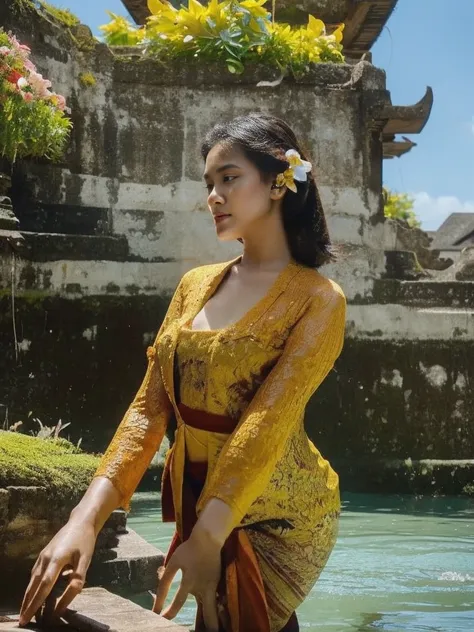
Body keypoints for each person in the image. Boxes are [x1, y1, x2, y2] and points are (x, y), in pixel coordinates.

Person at [19, 113, 346, 632]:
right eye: (209, 183)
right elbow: (150, 409)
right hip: (200, 496)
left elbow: (267, 422)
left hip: (279, 507)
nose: (213, 196)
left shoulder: (318, 300)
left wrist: (211, 535)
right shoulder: (195, 284)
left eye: (229, 178)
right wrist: (83, 519)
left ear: (279, 182)